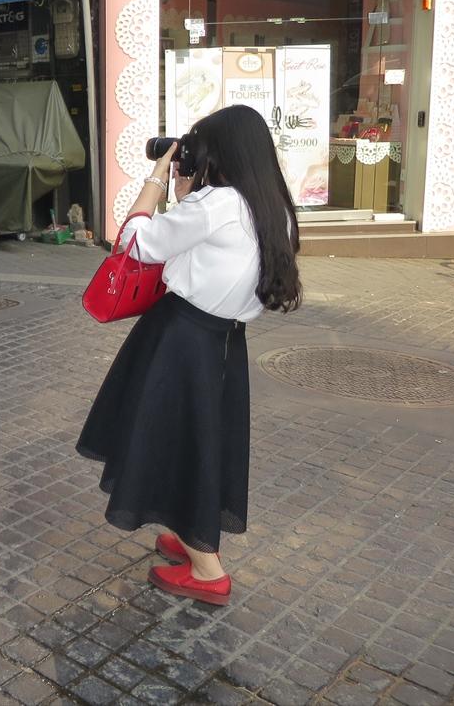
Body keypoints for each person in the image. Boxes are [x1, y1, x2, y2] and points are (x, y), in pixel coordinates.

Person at [76, 104, 301, 608]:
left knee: (171, 440)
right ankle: (193, 532)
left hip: (182, 337)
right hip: (224, 342)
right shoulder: (273, 207)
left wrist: (157, 180)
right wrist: (186, 199)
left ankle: (207, 571)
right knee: (199, 441)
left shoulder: (215, 204)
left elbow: (134, 242)